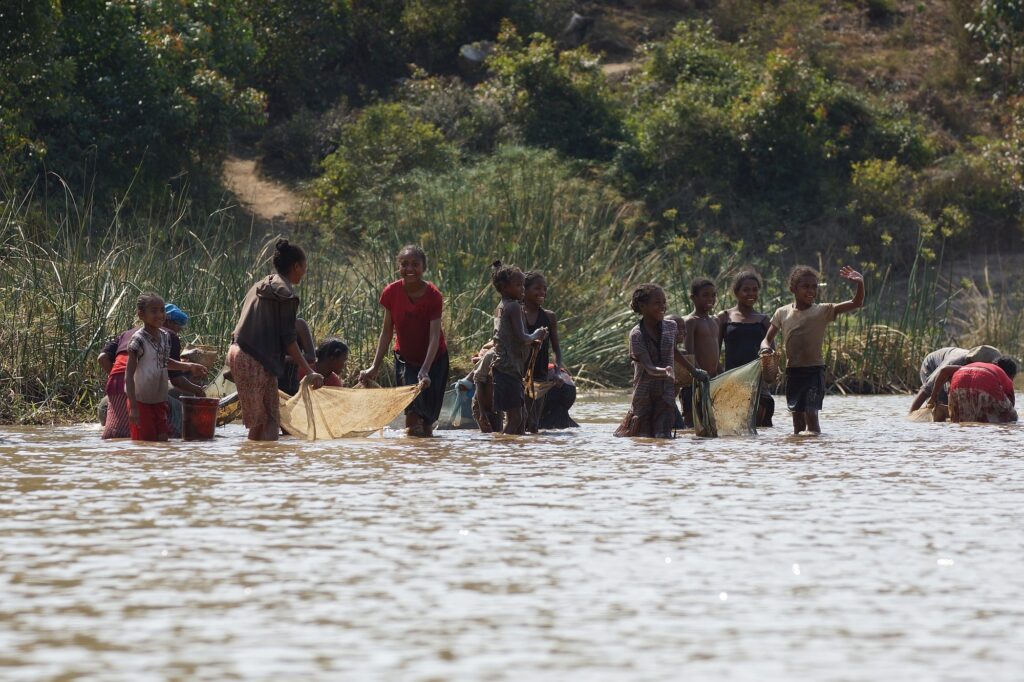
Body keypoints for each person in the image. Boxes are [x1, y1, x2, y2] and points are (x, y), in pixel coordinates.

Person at [229, 239, 324, 441]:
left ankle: (261, 463)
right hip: (254, 359)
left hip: (240, 354)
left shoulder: (260, 285)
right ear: (296, 266)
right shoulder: (286, 294)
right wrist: (310, 372)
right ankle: (264, 467)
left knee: (266, 418)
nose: (305, 271)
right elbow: (289, 341)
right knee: (265, 421)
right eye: (304, 266)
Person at [760, 265, 865, 435]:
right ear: (793, 289)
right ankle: (801, 457)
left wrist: (860, 283)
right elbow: (767, 340)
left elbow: (856, 302)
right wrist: (765, 349)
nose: (811, 290)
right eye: (806, 286)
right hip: (793, 372)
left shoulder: (822, 310)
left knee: (811, 415)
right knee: (797, 421)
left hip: (814, 372)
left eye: (814, 286)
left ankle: (815, 455)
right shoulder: (782, 313)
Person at [359, 245, 449, 437]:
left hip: (435, 360)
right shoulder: (391, 292)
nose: (410, 269)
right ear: (398, 267)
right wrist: (374, 366)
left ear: (424, 268)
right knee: (412, 411)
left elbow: (434, 336)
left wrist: (425, 369)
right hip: (405, 360)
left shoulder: (433, 296)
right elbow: (386, 332)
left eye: (415, 264)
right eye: (404, 264)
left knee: (427, 421)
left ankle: (425, 457)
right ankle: (408, 459)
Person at [616, 284, 707, 439]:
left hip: (666, 395)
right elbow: (649, 367)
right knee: (642, 438)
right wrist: (666, 371)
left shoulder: (671, 327)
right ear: (642, 306)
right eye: (657, 303)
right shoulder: (636, 335)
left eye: (664, 302)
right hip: (644, 396)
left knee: (663, 438)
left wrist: (693, 370)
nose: (662, 306)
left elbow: (674, 351)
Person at [125, 293, 208, 441]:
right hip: (141, 401)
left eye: (162, 310)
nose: (160, 315)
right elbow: (129, 375)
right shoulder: (138, 340)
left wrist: (189, 366)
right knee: (145, 443)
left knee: (163, 441)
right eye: (154, 311)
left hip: (159, 400)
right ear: (141, 314)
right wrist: (134, 407)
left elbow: (164, 361)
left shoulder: (164, 336)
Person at [489, 261, 548, 435]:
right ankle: (502, 450)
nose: (523, 288)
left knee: (520, 418)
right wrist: (536, 334)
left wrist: (532, 340)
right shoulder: (513, 306)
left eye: (523, 284)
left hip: (505, 368)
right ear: (504, 287)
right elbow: (523, 338)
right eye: (518, 285)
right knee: (516, 419)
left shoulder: (502, 306)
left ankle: (515, 457)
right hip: (508, 369)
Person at [717, 269, 774, 427]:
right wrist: (719, 375)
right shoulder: (724, 317)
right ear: (736, 292)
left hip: (757, 382)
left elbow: (771, 355)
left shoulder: (763, 320)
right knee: (734, 426)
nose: (751, 294)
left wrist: (769, 375)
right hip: (731, 379)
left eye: (755, 290)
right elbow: (714, 350)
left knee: (759, 427)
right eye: (746, 290)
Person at [522, 271, 578, 430]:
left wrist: (558, 371)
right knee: (520, 418)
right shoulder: (517, 314)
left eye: (544, 289)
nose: (542, 292)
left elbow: (556, 348)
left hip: (539, 374)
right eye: (537, 288)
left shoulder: (549, 316)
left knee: (534, 423)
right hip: (520, 372)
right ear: (524, 291)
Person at [671, 277, 721, 427]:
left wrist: (720, 373)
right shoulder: (690, 321)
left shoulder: (714, 321)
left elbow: (715, 353)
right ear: (693, 298)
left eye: (713, 295)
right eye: (705, 295)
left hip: (710, 380)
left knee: (708, 422)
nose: (710, 299)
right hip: (695, 381)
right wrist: (699, 374)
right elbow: (689, 353)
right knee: (691, 423)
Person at [908, 345, 1002, 414]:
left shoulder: (978, 368)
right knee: (941, 402)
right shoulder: (955, 362)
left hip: (950, 367)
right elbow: (926, 389)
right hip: (931, 366)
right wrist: (911, 415)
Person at [927, 357, 1017, 423]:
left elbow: (944, 370)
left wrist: (933, 397)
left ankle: (945, 411)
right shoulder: (1004, 376)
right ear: (1010, 375)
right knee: (1012, 417)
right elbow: (1010, 405)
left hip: (958, 378)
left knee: (961, 420)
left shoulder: (977, 365)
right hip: (987, 380)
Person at [98, 326, 139, 438]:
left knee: (116, 433)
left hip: (115, 382)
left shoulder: (125, 334)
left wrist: (115, 376)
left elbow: (102, 357)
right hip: (137, 383)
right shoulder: (163, 335)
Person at [279, 318, 316, 395]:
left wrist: (287, 358)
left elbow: (311, 357)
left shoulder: (298, 324)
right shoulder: (266, 322)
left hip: (289, 386)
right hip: (266, 383)